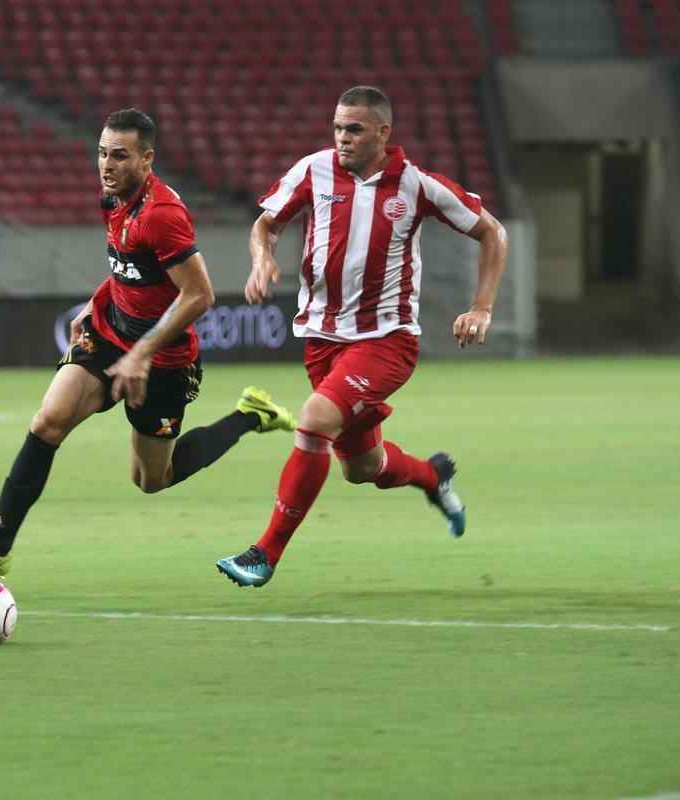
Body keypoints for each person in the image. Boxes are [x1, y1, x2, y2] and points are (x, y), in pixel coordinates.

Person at [0, 108, 295, 582]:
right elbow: (126, 269)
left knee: (153, 480)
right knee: (48, 422)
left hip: (164, 362)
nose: (107, 165)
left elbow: (200, 295)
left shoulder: (163, 215)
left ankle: (250, 415)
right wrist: (94, 304)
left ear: (147, 160)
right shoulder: (113, 199)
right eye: (102, 154)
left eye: (120, 156)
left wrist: (141, 355)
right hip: (109, 334)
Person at [215, 86, 509, 588]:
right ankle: (433, 477)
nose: (342, 138)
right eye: (336, 128)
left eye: (353, 129)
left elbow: (492, 233)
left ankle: (264, 553)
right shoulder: (314, 170)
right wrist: (262, 257)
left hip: (385, 341)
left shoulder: (416, 186)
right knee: (362, 467)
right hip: (322, 342)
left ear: (382, 132)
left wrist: (481, 307)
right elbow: (266, 225)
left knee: (312, 423)